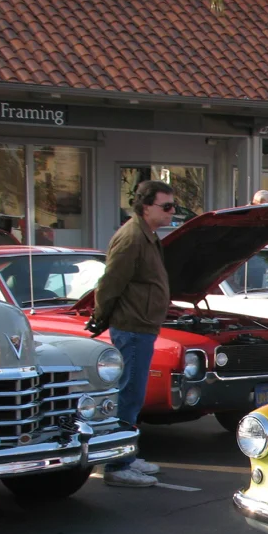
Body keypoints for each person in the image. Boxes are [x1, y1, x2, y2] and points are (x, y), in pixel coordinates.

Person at [87, 180, 176, 487]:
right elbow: (110, 283)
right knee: (128, 395)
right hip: (132, 327)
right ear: (145, 206)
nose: (171, 212)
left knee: (132, 396)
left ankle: (126, 454)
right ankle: (118, 464)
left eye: (172, 206)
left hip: (142, 325)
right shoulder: (132, 238)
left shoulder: (148, 236)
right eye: (166, 207)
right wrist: (100, 317)